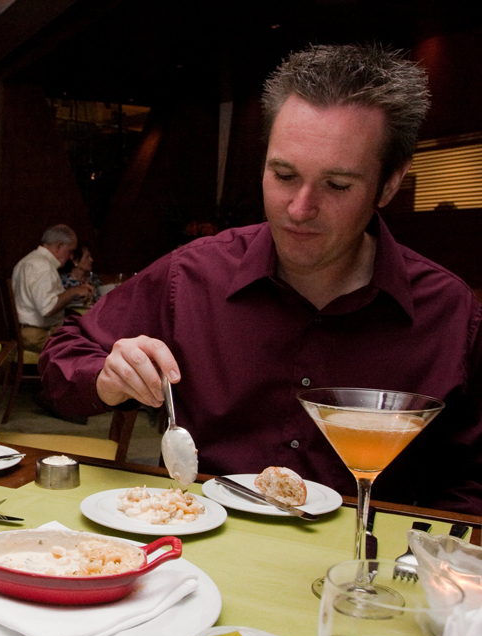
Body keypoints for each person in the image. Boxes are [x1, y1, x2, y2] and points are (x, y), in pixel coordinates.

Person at [41, 44, 482, 514]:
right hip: (204, 551)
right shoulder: (192, 276)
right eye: (284, 174)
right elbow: (61, 358)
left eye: (337, 185)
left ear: (390, 183)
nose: (299, 208)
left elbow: (471, 483)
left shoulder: (448, 311)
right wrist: (107, 379)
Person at [11, 224, 94, 353]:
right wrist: (75, 291)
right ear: (59, 246)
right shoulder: (42, 266)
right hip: (34, 335)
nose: (71, 257)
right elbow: (48, 308)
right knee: (82, 351)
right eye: (70, 251)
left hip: (26, 332)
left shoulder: (27, 261)